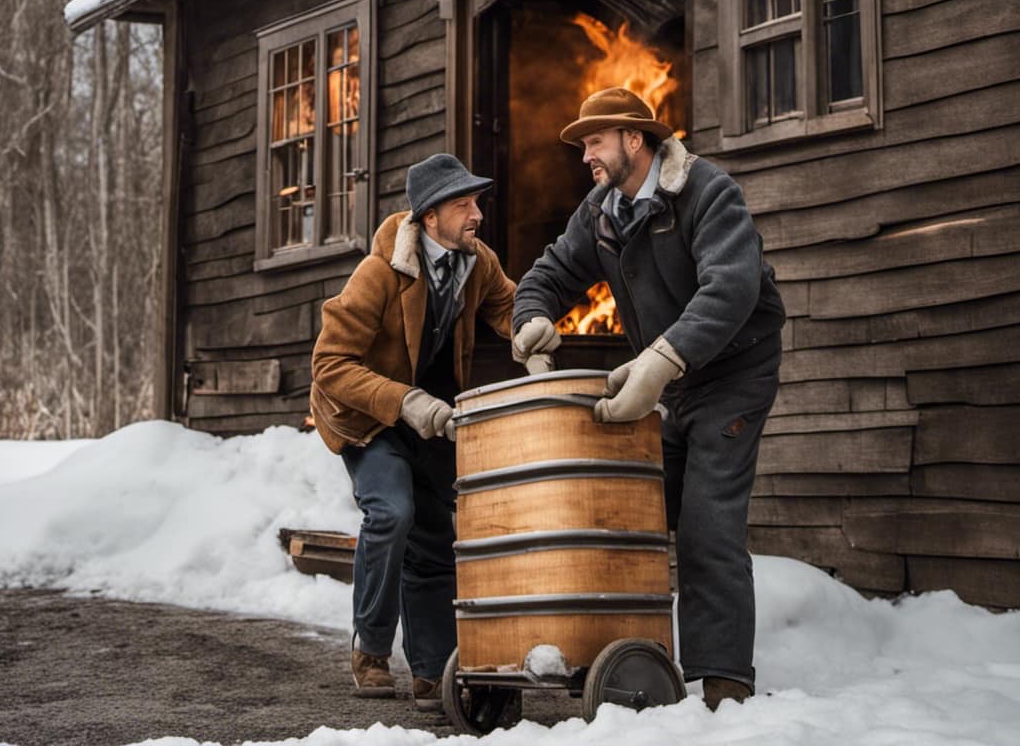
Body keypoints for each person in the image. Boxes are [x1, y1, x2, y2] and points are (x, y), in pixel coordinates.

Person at [511, 87, 785, 711]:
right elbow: (550, 273)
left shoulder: (707, 191)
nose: (585, 156)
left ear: (635, 139)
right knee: (629, 513)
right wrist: (532, 317)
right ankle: (629, 663)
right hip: (671, 380)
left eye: (595, 141)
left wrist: (660, 361)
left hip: (733, 371)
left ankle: (722, 690)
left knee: (707, 524)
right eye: (582, 145)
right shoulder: (601, 211)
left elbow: (732, 288)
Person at [310, 153, 515, 710]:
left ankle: (430, 669)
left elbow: (509, 307)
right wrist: (405, 401)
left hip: (430, 419)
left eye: (477, 202)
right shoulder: (379, 273)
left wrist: (532, 330)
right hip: (368, 417)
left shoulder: (478, 261)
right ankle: (371, 649)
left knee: (432, 530)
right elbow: (329, 365)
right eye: (462, 204)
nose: (476, 214)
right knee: (392, 512)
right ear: (429, 217)